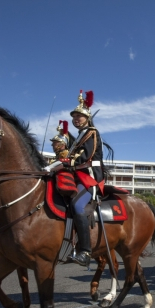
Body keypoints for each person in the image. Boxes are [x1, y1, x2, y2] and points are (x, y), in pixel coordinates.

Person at [64, 90, 105, 267]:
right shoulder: (79, 136)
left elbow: (85, 156)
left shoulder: (91, 132)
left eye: (79, 116)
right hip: (77, 176)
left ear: (87, 118)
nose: (76, 119)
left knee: (77, 205)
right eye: (74, 116)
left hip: (90, 177)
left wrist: (68, 161)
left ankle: (86, 251)